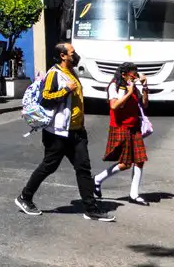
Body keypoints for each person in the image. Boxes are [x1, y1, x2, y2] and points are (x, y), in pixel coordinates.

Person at [15, 43, 114, 221]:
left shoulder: (72, 72)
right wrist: (66, 90)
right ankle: (25, 197)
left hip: (76, 131)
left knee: (83, 168)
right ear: (63, 56)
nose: (75, 55)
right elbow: (46, 98)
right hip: (57, 132)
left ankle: (91, 209)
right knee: (49, 166)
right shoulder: (55, 73)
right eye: (72, 52)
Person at [93, 62, 150, 204]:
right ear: (124, 74)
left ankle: (134, 194)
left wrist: (144, 87)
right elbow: (114, 105)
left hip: (134, 126)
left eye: (136, 73)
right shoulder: (115, 86)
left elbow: (144, 104)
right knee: (125, 163)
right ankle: (97, 179)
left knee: (140, 160)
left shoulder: (132, 85)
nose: (135, 76)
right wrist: (129, 92)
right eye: (133, 74)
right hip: (121, 127)